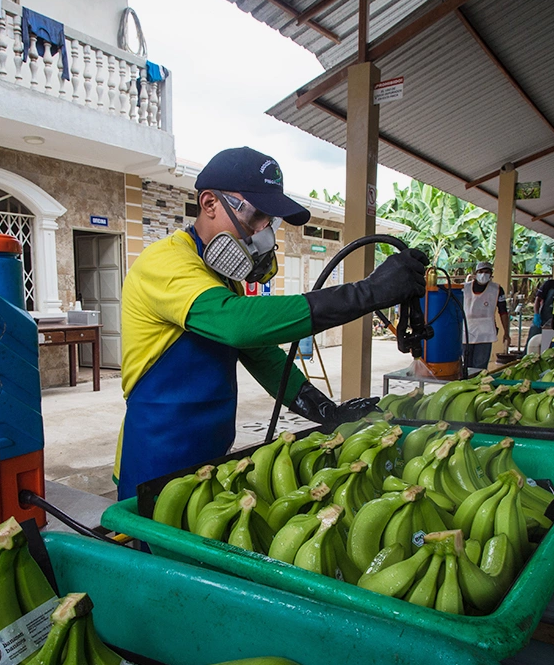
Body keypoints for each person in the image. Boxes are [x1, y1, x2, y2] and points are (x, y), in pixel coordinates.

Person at [115, 147, 427, 499]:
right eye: (256, 216)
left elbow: (260, 353)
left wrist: (324, 409)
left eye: (269, 222)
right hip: (155, 458)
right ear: (209, 203)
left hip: (211, 453)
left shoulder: (222, 280)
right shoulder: (165, 262)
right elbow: (239, 325)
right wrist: (366, 293)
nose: (263, 232)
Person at [462, 261, 510, 373]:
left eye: (487, 272)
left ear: (491, 274)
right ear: (476, 273)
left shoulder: (496, 289)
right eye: (481, 271)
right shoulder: (464, 288)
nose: (483, 274)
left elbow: (503, 312)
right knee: (464, 364)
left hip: (485, 332)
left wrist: (506, 332)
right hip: (466, 330)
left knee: (480, 365)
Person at [526, 268, 554, 347]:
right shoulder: (550, 284)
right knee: (533, 341)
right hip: (543, 317)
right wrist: (536, 315)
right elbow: (538, 299)